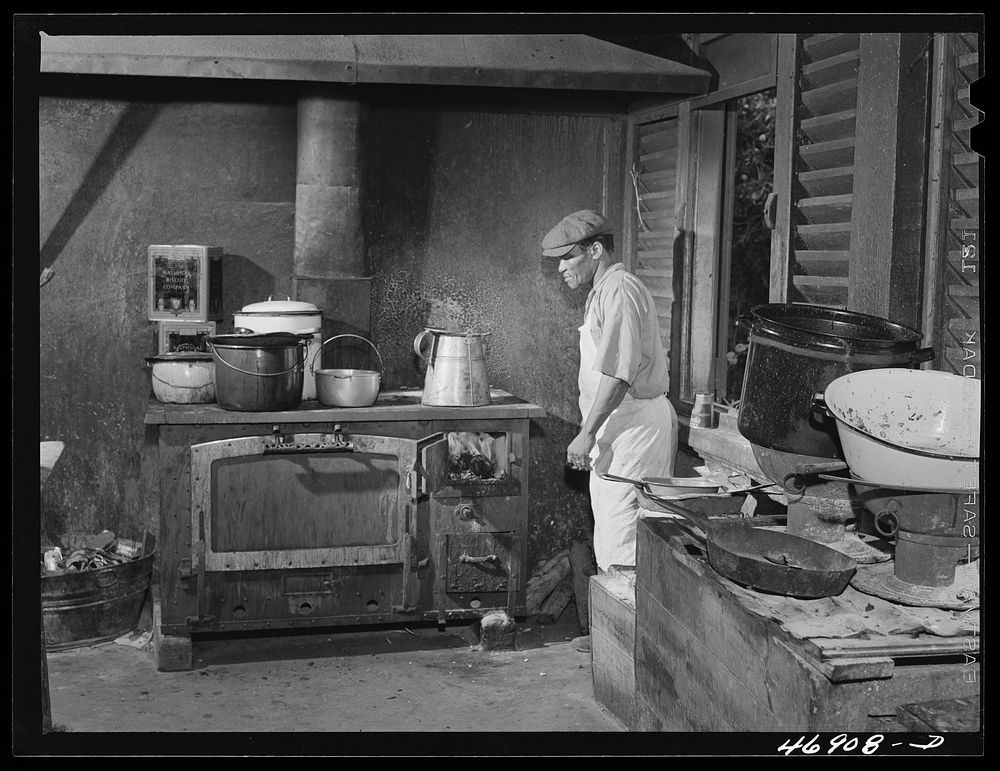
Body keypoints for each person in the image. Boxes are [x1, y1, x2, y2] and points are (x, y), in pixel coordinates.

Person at [543, 208, 679, 593]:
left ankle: (626, 647)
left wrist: (585, 434)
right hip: (617, 428)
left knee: (625, 541)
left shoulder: (619, 290)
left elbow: (620, 375)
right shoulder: (602, 292)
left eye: (568, 257)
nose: (560, 268)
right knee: (611, 534)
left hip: (635, 428)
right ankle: (614, 643)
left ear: (596, 250)